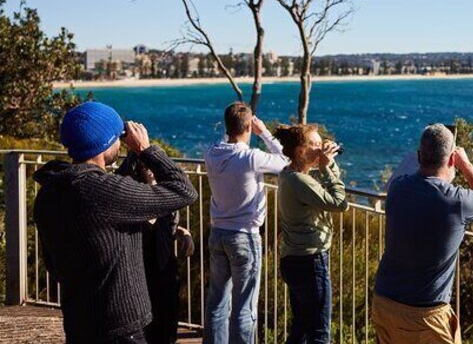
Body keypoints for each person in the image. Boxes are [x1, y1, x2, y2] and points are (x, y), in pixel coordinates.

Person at [33, 101, 198, 344]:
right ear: (105, 143)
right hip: (120, 326)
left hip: (78, 322)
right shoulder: (106, 191)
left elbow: (54, 266)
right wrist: (146, 149)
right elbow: (185, 191)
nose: (121, 143)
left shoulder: (48, 193)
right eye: (118, 137)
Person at [372, 123, 473, 344]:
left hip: (385, 301)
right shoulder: (457, 201)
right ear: (452, 159)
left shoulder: (398, 188)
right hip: (425, 314)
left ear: (420, 156)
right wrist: (466, 166)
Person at [203, 102, 291, 344]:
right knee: (244, 307)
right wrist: (265, 133)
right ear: (249, 127)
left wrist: (239, 125)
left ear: (227, 126)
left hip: (218, 234)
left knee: (217, 302)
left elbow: (227, 139)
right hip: (245, 236)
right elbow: (286, 160)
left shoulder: (211, 153)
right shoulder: (251, 157)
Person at [275, 124, 348, 344]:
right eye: (315, 145)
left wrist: (329, 164)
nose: (320, 150)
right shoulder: (300, 181)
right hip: (310, 261)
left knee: (302, 327)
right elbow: (339, 203)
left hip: (294, 258)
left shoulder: (290, 175)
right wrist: (326, 168)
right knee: (319, 331)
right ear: (300, 151)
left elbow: (323, 180)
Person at [118, 154, 196, 344]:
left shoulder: (166, 196)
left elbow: (168, 227)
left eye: (153, 166)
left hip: (164, 268)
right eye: (146, 166)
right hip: (139, 273)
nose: (151, 170)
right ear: (138, 169)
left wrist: (183, 233)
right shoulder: (130, 197)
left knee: (167, 325)